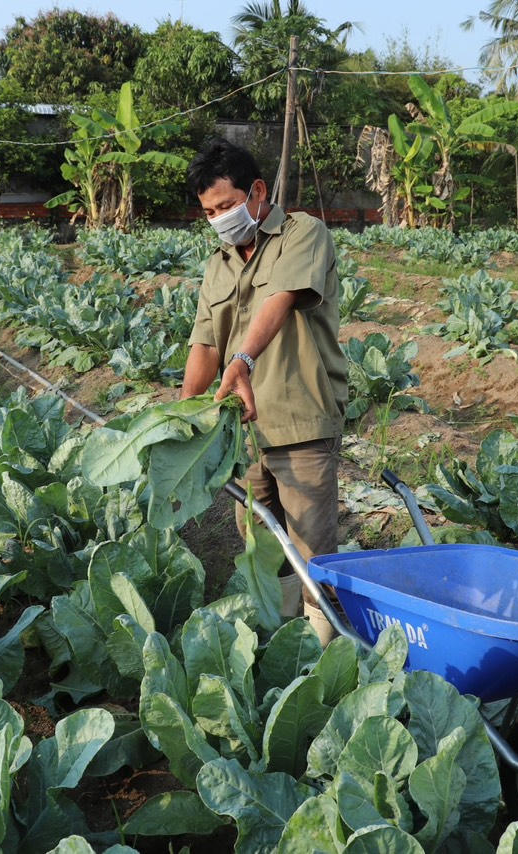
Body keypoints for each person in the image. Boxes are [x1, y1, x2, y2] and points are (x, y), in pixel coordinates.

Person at [181, 138, 347, 643]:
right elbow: (204, 343)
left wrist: (243, 360)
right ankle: (281, 644)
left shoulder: (303, 233)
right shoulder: (219, 263)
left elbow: (282, 296)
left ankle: (324, 654)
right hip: (246, 431)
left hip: (302, 419)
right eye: (210, 213)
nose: (220, 219)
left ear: (256, 192)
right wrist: (183, 415)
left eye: (227, 206)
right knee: (260, 542)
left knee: (313, 552)